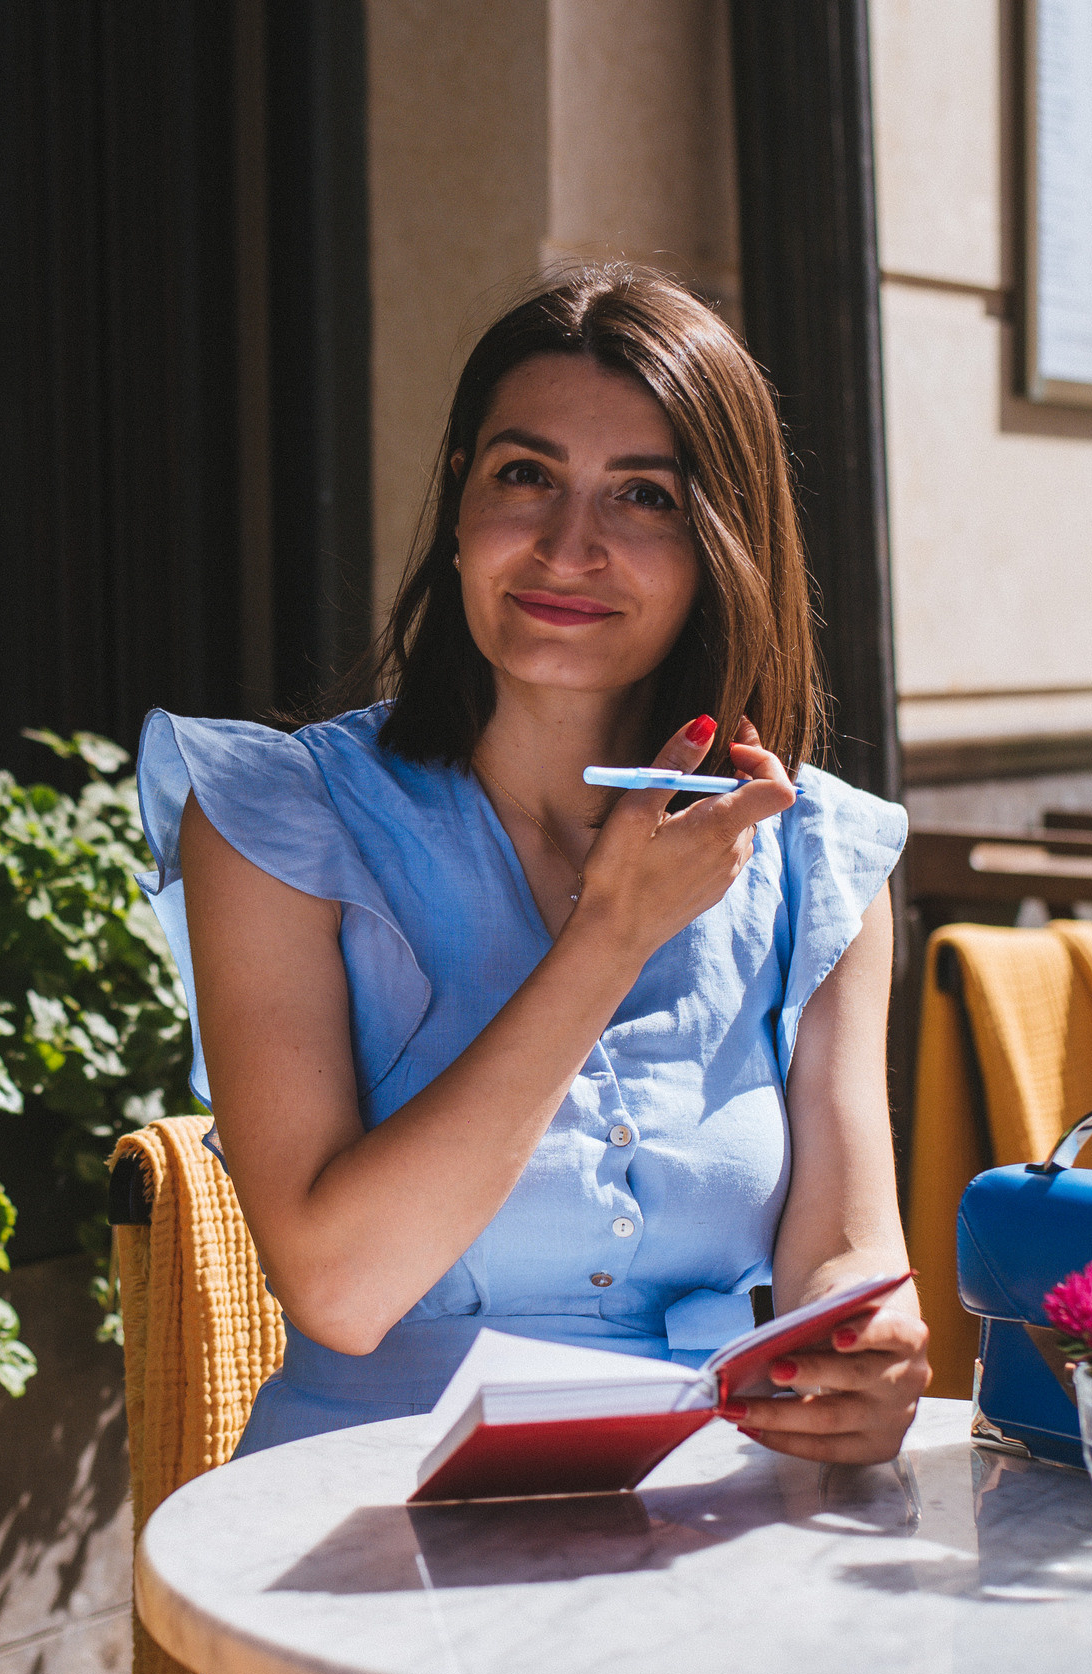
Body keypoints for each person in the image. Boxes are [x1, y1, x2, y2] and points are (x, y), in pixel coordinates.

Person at [136, 264, 929, 1506]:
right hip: (368, 1534)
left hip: (717, 1518)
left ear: (722, 543)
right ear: (458, 497)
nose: (571, 546)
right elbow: (341, 1289)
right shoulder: (276, 824)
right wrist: (607, 940)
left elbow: (845, 1245)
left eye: (643, 497)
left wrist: (866, 1350)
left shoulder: (812, 854)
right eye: (525, 476)